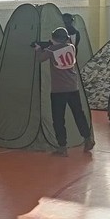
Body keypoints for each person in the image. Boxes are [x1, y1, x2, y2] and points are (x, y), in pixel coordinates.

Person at [35, 27, 92, 156]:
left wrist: (38, 49)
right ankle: (87, 138)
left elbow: (40, 59)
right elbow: (61, 48)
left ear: (53, 38)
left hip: (58, 91)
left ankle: (62, 147)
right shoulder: (71, 47)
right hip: (73, 88)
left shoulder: (51, 50)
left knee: (58, 119)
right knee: (79, 114)